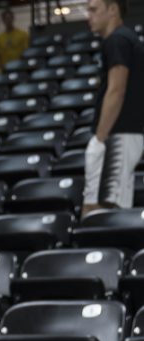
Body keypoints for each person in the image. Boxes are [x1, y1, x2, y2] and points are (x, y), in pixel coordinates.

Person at [83, 0, 144, 212]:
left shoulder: (117, 39)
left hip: (117, 135)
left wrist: (100, 139)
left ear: (112, 9)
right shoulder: (124, 39)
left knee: (98, 212)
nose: (87, 16)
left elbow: (117, 90)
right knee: (113, 207)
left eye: (93, 10)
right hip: (124, 134)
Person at [0, 8, 29, 73]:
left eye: (9, 18)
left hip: (19, 68)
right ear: (3, 20)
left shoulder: (23, 35)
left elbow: (27, 53)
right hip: (5, 70)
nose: (8, 20)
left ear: (13, 18)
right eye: (6, 18)